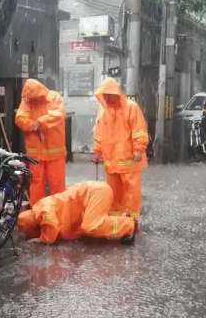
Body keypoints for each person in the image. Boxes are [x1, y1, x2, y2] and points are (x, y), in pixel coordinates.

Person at [92, 78, 149, 220]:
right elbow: (99, 133)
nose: (107, 98)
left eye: (109, 94)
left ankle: (131, 220)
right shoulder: (103, 111)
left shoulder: (131, 107)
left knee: (131, 192)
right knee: (113, 192)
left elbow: (139, 130)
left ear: (116, 93)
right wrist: (97, 152)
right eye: (105, 95)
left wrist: (138, 149)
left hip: (129, 159)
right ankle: (116, 221)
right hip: (111, 161)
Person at [17, 181, 137, 244]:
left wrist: (42, 240)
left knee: (90, 226)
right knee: (92, 222)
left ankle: (128, 225)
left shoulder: (43, 210)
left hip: (95, 192)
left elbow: (51, 229)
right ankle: (123, 219)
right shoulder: (40, 209)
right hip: (93, 193)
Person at [15, 79, 66, 206]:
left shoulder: (54, 97)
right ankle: (37, 215)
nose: (33, 100)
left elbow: (58, 115)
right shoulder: (27, 100)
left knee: (57, 185)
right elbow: (20, 118)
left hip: (55, 152)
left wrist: (39, 123)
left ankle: (59, 214)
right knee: (36, 185)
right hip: (36, 154)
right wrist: (32, 125)